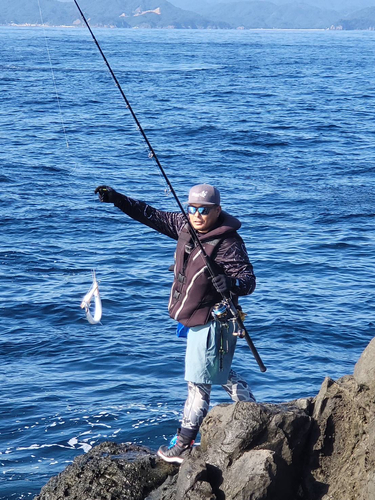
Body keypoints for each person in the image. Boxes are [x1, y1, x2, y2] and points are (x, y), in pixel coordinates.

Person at [94, 183, 256, 464]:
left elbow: (249, 281)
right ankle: (254, 412)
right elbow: (150, 214)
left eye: (204, 210)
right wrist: (117, 199)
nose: (197, 214)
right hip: (195, 318)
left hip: (214, 322)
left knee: (198, 383)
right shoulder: (183, 224)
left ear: (217, 210)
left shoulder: (229, 243)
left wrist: (231, 283)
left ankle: (182, 444)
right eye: (192, 208)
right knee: (219, 371)